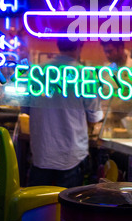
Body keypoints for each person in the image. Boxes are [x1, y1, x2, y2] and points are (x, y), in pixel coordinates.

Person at [27, 38, 103, 188]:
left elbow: (26, 109)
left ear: (58, 44)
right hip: (71, 155)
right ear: (80, 45)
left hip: (41, 153)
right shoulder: (85, 75)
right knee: (67, 208)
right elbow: (94, 116)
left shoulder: (36, 72)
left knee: (38, 207)